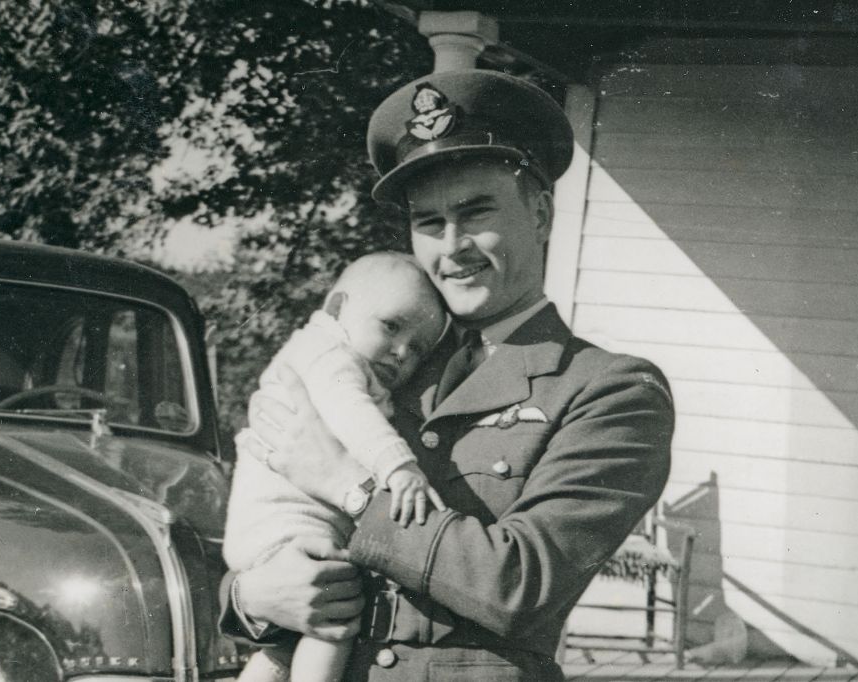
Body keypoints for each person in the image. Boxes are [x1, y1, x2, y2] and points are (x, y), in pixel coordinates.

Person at [219, 69, 675, 680]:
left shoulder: (609, 391)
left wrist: (351, 487)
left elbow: (519, 585)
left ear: (539, 215)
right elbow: (269, 511)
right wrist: (253, 599)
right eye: (428, 222)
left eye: (476, 211)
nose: (451, 244)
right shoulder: (383, 357)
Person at [224, 252, 447, 682]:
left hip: (276, 530)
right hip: (283, 525)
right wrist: (398, 465)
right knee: (334, 625)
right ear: (336, 309)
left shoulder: (347, 358)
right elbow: (350, 412)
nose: (402, 351)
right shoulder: (327, 353)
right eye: (391, 326)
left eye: (417, 347)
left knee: (289, 644)